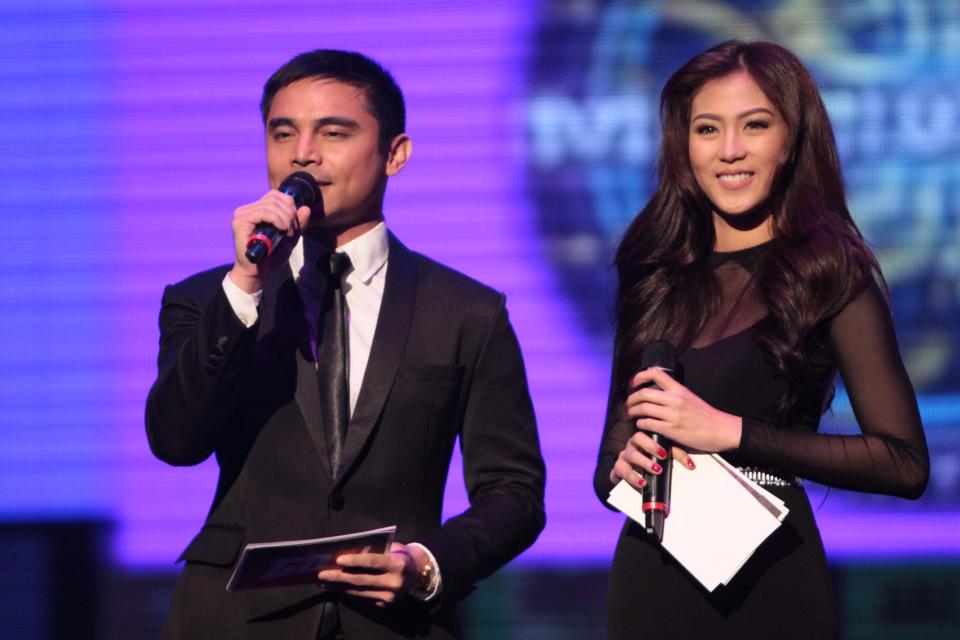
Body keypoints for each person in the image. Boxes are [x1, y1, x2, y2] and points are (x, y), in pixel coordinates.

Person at [145, 49, 546, 639]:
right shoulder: (210, 299)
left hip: (393, 623)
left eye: (333, 132)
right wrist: (246, 287)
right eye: (283, 133)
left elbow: (513, 493)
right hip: (236, 620)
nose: (303, 153)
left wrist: (426, 565)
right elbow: (175, 440)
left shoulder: (467, 312)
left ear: (395, 154)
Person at [593, 40, 929, 639]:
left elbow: (904, 464)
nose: (730, 151)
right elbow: (608, 469)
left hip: (772, 575)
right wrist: (625, 463)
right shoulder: (654, 271)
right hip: (653, 577)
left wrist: (732, 434)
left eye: (754, 126)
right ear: (683, 145)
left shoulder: (829, 274)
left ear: (791, 139)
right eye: (707, 129)